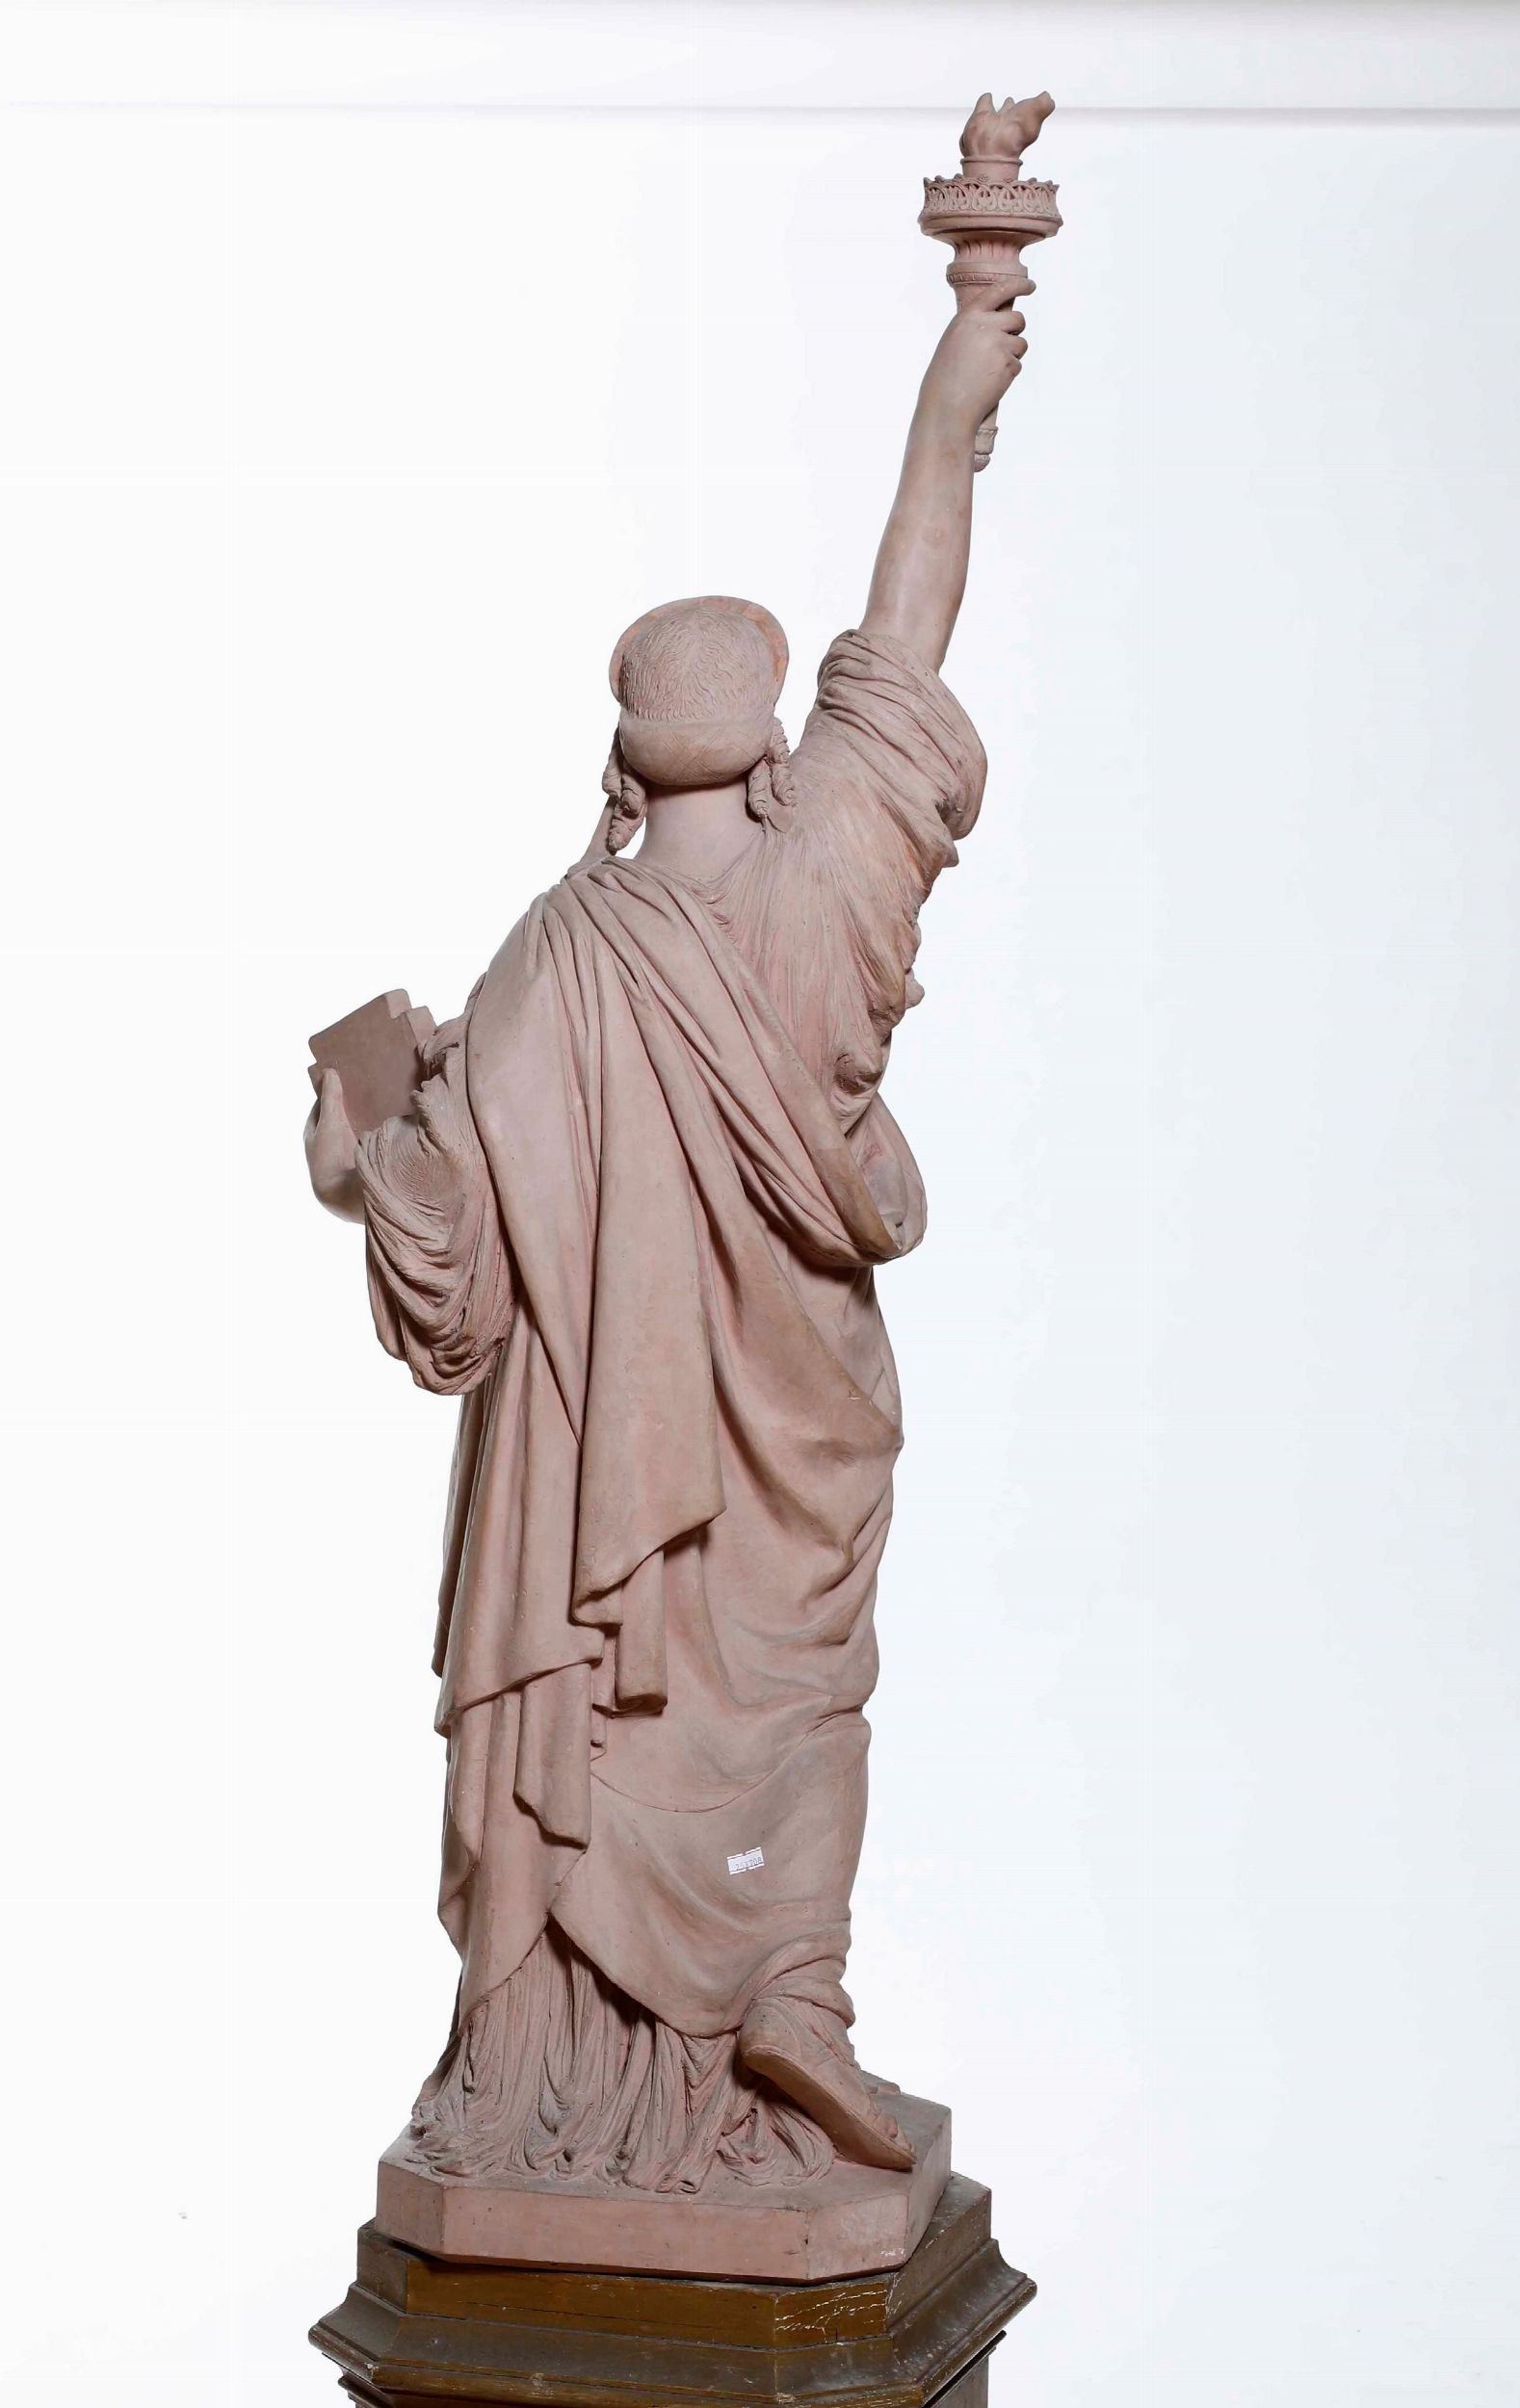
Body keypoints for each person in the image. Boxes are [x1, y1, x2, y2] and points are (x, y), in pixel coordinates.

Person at [305, 291, 1029, 2194]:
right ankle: (790, 1988)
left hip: (605, 1503)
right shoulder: (832, 881)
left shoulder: (550, 965)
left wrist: (361, 1146)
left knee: (625, 1719)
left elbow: (447, 1268)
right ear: (779, 747)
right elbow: (911, 621)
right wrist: (958, 369)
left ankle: (573, 2064)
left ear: (625, 764)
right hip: (798, 1439)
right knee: (802, 1704)